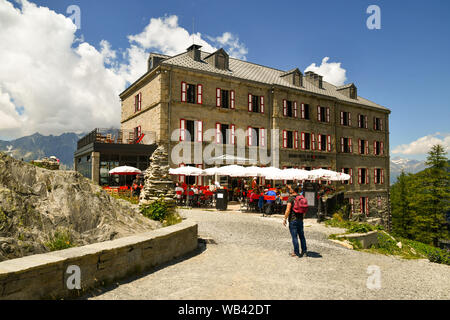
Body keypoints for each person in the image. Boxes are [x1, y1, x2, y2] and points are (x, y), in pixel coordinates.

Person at [283, 186, 308, 257]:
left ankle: (296, 252)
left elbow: (288, 210)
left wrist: (285, 219)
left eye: (290, 189)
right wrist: (302, 217)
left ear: (293, 190)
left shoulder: (291, 198)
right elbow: (304, 209)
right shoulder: (301, 197)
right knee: (302, 236)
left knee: (294, 237)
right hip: (300, 219)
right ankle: (304, 251)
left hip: (293, 220)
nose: (289, 190)